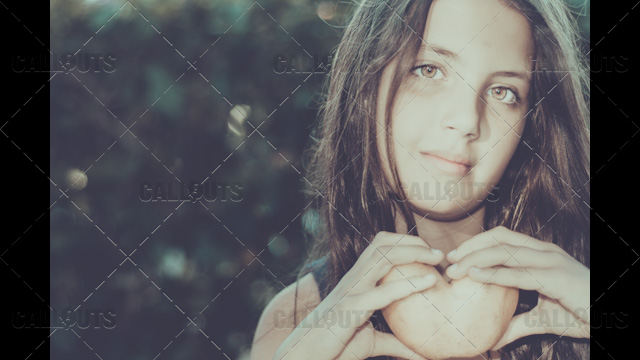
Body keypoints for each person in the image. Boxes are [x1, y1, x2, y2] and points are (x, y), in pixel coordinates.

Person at [251, 0, 590, 359]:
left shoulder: (580, 286)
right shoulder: (297, 319)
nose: (466, 120)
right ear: (365, 84)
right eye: (429, 70)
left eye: (502, 92)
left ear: (530, 126)